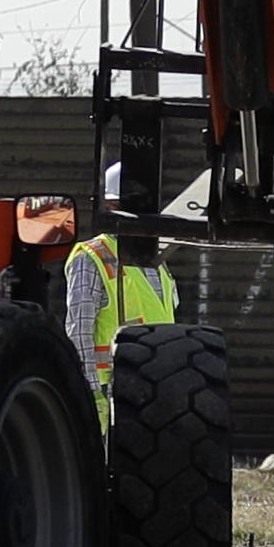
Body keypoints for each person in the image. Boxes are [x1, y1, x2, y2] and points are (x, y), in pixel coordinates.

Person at [64, 162, 174, 432]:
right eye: (137, 204)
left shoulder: (155, 259)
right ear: (112, 206)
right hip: (113, 393)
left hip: (159, 386)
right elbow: (79, 331)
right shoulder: (93, 257)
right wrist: (91, 395)